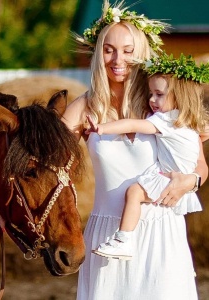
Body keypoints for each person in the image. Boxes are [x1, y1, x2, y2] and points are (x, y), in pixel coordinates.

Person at [62, 1, 208, 299]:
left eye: (128, 51)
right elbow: (46, 160)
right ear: (98, 52)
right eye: (109, 49)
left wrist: (188, 182)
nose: (118, 59)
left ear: (141, 53)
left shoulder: (162, 104)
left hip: (162, 234)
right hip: (109, 235)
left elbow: (200, 167)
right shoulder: (84, 108)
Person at [84, 52, 209, 260]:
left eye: (159, 94)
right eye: (151, 93)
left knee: (134, 193)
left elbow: (132, 124)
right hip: (180, 178)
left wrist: (102, 128)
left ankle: (123, 239)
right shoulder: (190, 123)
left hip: (169, 179)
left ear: (179, 96)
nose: (152, 99)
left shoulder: (166, 120)